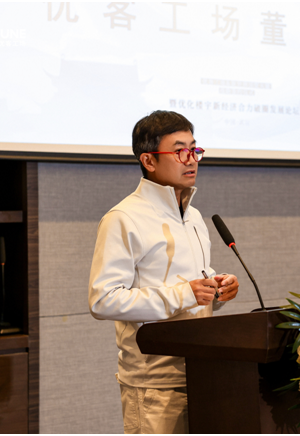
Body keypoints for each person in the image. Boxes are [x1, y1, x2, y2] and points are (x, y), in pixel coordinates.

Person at [88, 110, 240, 434]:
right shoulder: (124, 218)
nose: (191, 160)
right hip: (155, 385)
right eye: (180, 151)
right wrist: (184, 294)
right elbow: (103, 300)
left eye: (195, 150)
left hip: (203, 372)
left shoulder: (195, 217)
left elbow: (189, 285)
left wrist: (218, 290)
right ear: (149, 160)